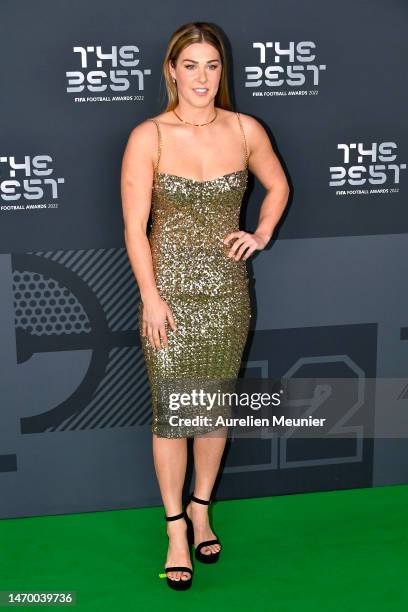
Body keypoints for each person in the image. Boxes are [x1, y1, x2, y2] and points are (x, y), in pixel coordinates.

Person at [121, 22, 289, 590]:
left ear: (223, 71)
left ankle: (201, 509)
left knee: (212, 411)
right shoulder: (151, 136)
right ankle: (174, 528)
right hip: (166, 295)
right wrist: (150, 297)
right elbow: (134, 228)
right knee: (173, 414)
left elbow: (278, 185)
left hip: (226, 294)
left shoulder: (244, 129)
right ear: (171, 70)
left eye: (211, 65)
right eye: (189, 65)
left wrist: (261, 232)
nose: (201, 77)